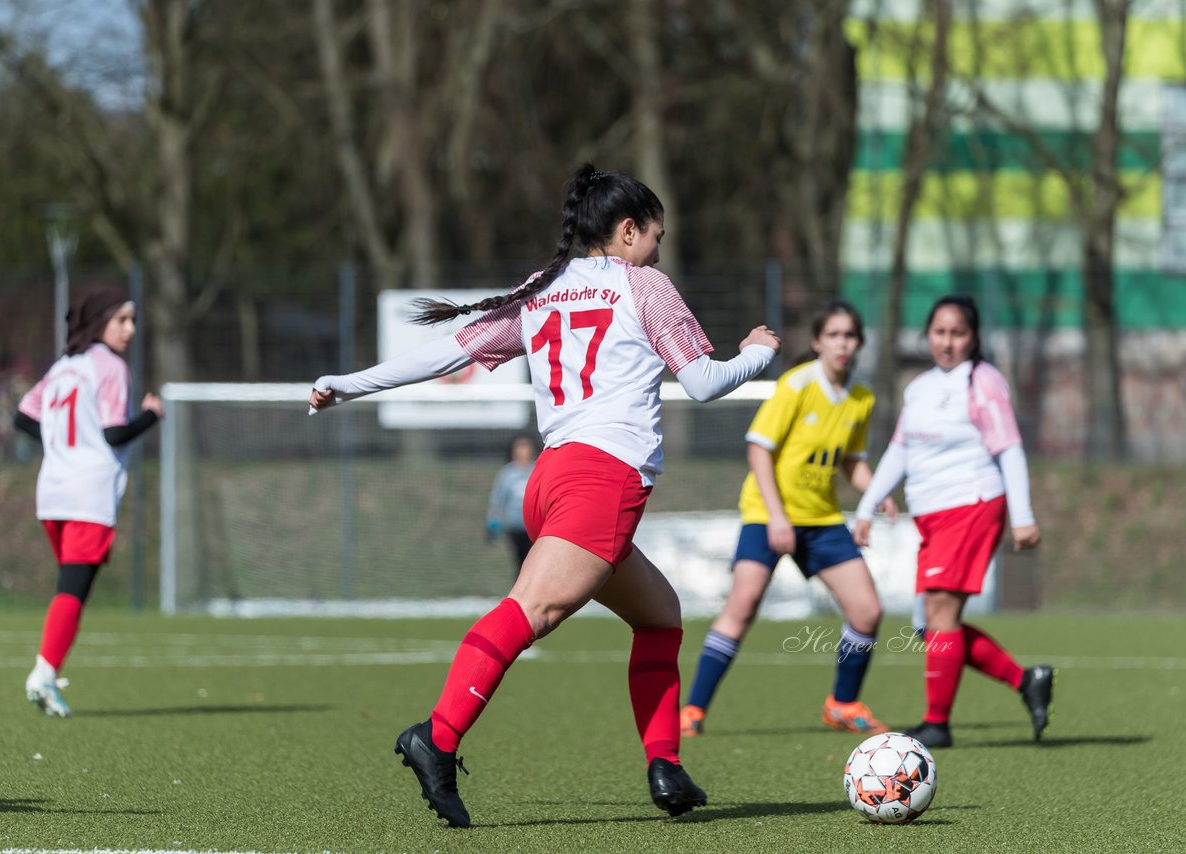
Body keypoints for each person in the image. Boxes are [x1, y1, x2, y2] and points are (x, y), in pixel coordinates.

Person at [310, 163, 781, 827]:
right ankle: (436, 738)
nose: (657, 249)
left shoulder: (545, 289)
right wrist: (757, 353)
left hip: (551, 479)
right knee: (530, 611)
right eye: (655, 236)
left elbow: (448, 355)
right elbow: (703, 381)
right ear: (626, 230)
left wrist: (350, 383)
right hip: (601, 479)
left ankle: (666, 767)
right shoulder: (642, 284)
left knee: (660, 617)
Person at [680, 300, 896, 740]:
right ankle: (693, 711)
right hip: (767, 512)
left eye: (850, 336)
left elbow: (851, 461)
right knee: (742, 607)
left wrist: (876, 494)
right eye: (833, 335)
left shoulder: (861, 397)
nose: (842, 344)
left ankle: (842, 703)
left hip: (820, 517)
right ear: (817, 341)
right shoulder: (797, 384)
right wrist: (777, 518)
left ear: (859, 344)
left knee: (867, 611)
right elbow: (759, 449)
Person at [852, 294, 1052, 749]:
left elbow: (1010, 449)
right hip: (933, 516)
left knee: (939, 612)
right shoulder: (920, 386)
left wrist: (1023, 517)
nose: (947, 342)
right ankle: (1027, 680)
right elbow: (901, 449)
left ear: (974, 338)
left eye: (957, 333)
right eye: (939, 332)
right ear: (928, 335)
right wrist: (867, 505)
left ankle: (936, 724)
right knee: (930, 622)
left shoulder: (981, 382)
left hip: (972, 505)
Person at [14, 286, 163, 717]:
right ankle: (43, 674)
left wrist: (60, 445)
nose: (130, 329)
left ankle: (48, 672)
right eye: (122, 320)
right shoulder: (110, 367)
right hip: (88, 493)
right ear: (100, 322)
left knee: (71, 587)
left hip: (52, 492)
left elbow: (23, 416)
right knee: (73, 591)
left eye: (133, 320)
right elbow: (115, 433)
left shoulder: (64, 366)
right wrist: (151, 415)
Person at [485, 434, 538, 576]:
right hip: (514, 527)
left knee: (532, 561)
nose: (523, 451)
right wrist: (492, 523)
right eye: (519, 447)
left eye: (526, 446)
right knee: (519, 562)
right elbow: (498, 499)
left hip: (534, 528)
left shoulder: (537, 470)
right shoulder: (507, 474)